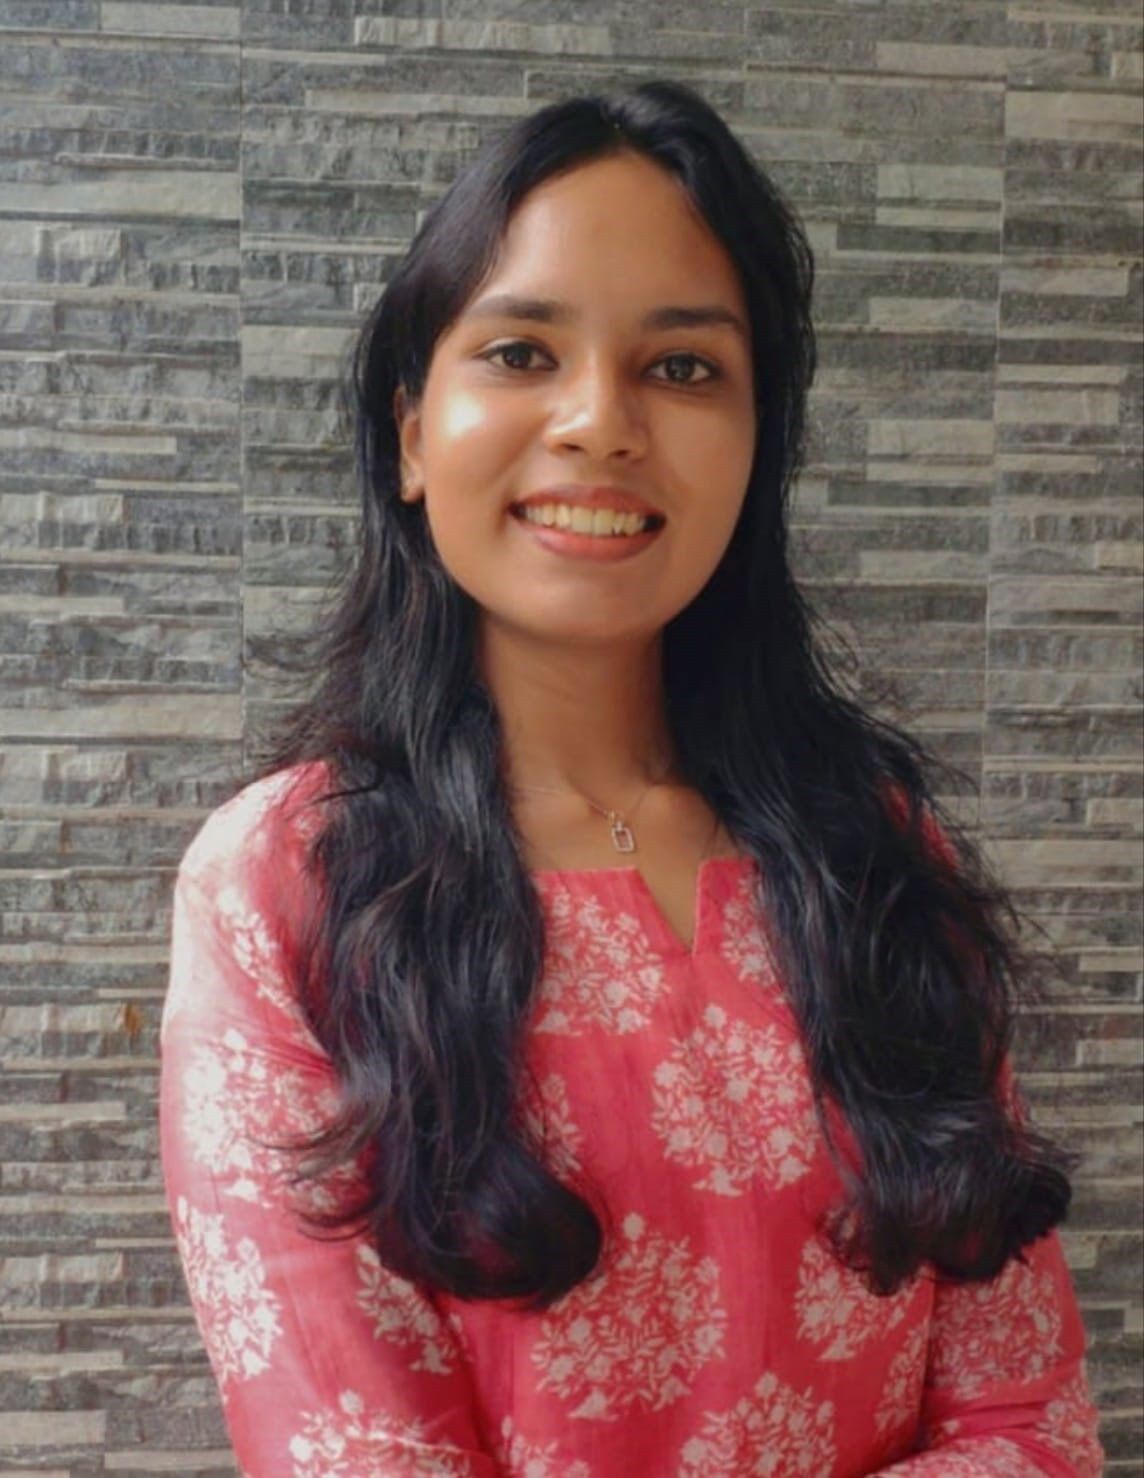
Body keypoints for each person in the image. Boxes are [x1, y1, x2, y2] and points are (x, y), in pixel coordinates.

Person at [159, 79, 1105, 1475]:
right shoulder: (287, 887)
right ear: (413, 431)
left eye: (683, 368)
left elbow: (1029, 1424)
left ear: (757, 446)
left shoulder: (875, 850)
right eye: (522, 352)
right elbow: (351, 1447)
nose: (600, 421)